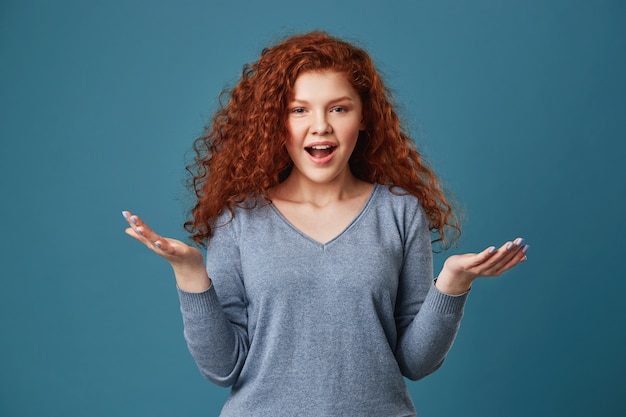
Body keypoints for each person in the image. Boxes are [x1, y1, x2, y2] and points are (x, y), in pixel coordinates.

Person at [122, 31, 529, 417]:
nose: (321, 125)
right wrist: (190, 273)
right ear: (275, 123)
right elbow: (222, 368)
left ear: (364, 117)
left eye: (339, 108)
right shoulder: (240, 218)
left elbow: (415, 362)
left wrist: (452, 286)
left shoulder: (399, 212)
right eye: (299, 110)